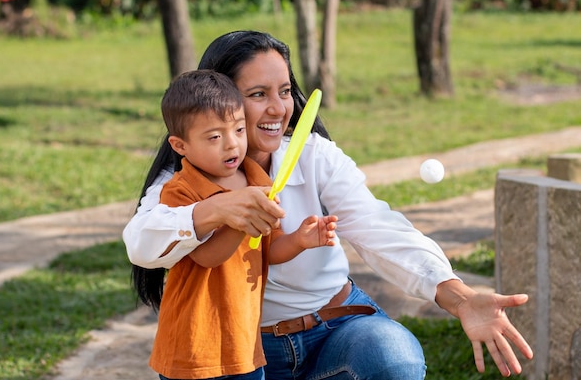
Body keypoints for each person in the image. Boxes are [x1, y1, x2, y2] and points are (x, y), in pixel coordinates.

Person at [123, 31, 534, 379]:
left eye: (284, 91)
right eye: (257, 94)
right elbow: (141, 242)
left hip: (334, 327)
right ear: (223, 99)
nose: (279, 109)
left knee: (393, 357)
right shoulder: (185, 177)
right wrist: (218, 210)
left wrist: (458, 297)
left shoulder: (313, 155)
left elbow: (378, 227)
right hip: (242, 351)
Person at [151, 69, 338, 380]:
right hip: (193, 349)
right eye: (214, 137)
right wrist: (241, 219)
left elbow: (269, 249)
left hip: (243, 346)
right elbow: (206, 257)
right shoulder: (180, 190)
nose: (231, 145)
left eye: (238, 130)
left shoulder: (255, 176)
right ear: (180, 145)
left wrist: (300, 240)